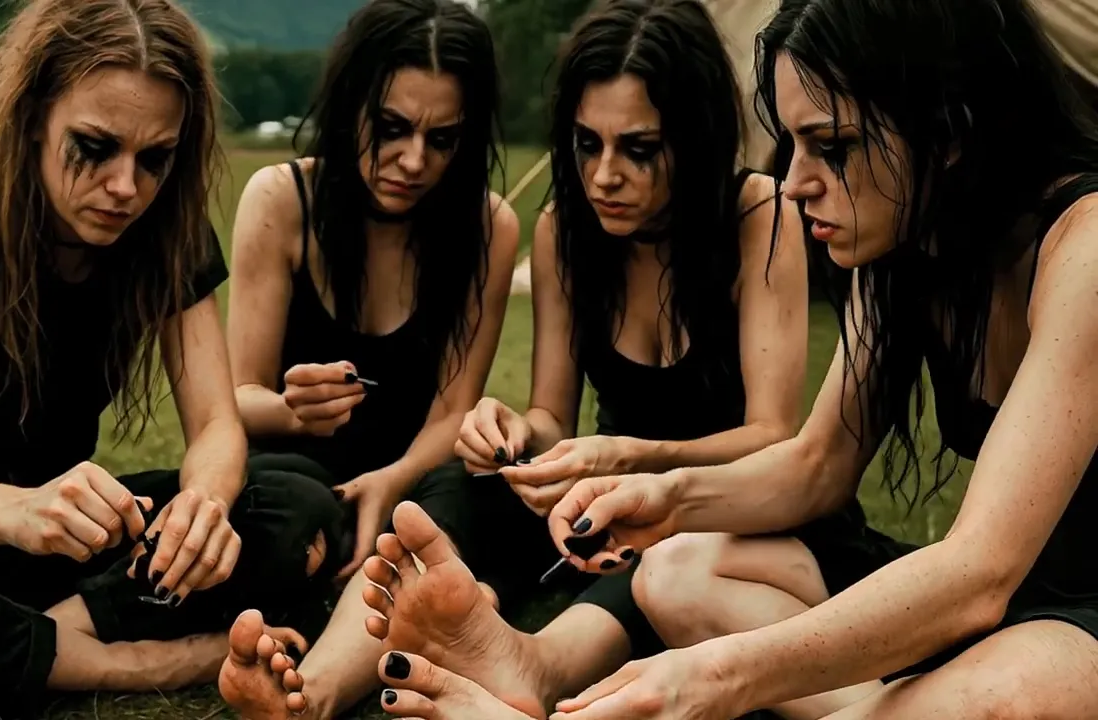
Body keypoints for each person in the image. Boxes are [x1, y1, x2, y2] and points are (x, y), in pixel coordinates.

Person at [499, 0, 1098, 717]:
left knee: (1011, 690)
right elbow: (817, 465)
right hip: (1007, 609)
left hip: (1066, 630)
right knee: (677, 571)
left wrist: (718, 675)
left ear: (947, 131)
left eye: (832, 147)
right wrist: (668, 499)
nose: (796, 181)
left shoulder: (1083, 250)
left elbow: (980, 572)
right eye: (792, 145)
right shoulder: (907, 245)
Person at [223, 1, 812, 719]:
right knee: (455, 489)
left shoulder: (760, 216)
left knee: (657, 543)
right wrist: (506, 430)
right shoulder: (566, 230)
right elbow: (550, 420)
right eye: (586, 144)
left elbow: (775, 438)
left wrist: (630, 457)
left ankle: (525, 660)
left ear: (694, 138)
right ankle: (320, 691)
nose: (603, 174)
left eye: (638, 149)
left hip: (726, 502)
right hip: (594, 504)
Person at [0, 1, 340, 718]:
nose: (126, 187)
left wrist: (204, 508)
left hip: (60, 554)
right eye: (94, 147)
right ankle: (137, 662)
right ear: (34, 116)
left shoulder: (169, 228)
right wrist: (15, 510)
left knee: (296, 501)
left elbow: (218, 424)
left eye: (156, 158)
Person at [216, 0, 519, 717]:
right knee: (294, 509)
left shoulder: (487, 227)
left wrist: (392, 481)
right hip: (301, 479)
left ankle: (310, 694)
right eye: (391, 129)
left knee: (445, 504)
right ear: (350, 105)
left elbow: (454, 411)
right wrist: (291, 408)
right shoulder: (282, 199)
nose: (414, 161)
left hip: (418, 480)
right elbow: (234, 400)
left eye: (442, 140)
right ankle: (431, 613)